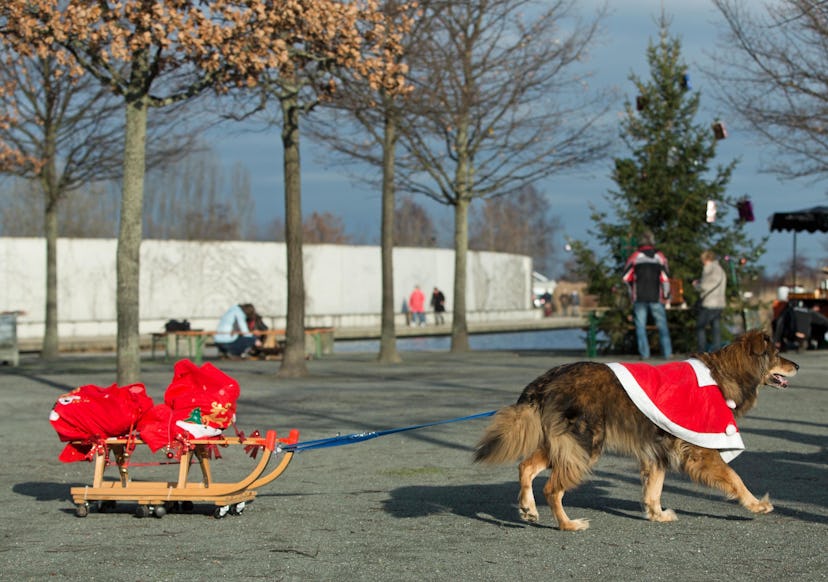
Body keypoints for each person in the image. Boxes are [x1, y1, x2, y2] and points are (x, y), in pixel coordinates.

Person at [622, 231, 673, 359]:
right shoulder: (660, 257)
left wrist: (631, 291)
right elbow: (665, 277)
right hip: (656, 296)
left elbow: (626, 277)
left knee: (640, 327)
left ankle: (644, 354)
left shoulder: (634, 256)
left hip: (639, 297)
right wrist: (666, 295)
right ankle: (667, 353)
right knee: (662, 326)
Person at [694, 250, 727, 352]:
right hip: (719, 303)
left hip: (710, 303)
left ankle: (701, 351)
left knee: (700, 326)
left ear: (706, 259)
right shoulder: (720, 269)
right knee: (715, 327)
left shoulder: (710, 268)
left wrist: (697, 286)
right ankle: (717, 351)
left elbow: (706, 286)